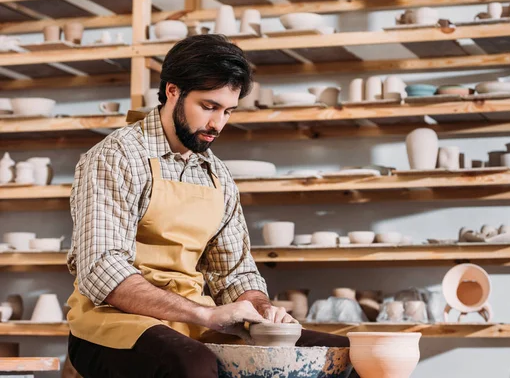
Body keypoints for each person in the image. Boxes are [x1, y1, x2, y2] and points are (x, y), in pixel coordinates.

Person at [65, 34, 355, 378]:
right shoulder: (117, 156)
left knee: (339, 354)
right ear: (173, 90)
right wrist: (205, 315)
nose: (217, 124)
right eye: (209, 106)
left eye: (228, 111)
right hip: (112, 323)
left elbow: (235, 273)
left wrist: (262, 309)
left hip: (191, 321)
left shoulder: (216, 173)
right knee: (193, 363)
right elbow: (102, 270)